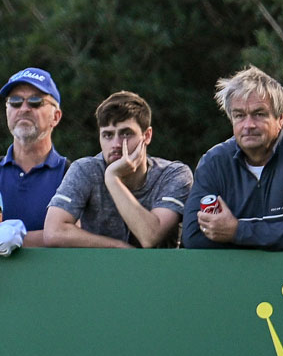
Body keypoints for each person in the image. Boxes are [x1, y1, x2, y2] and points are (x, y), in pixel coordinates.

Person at [180, 67, 283, 251]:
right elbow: (194, 238)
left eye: (259, 114)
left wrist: (237, 231)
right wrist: (274, 236)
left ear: (281, 119)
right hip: (234, 277)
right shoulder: (214, 161)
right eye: (239, 116)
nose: (248, 125)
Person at [37, 91, 193, 248]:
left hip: (160, 271)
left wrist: (112, 178)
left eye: (126, 134)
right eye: (108, 135)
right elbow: (53, 232)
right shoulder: (85, 170)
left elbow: (150, 237)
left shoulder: (174, 174)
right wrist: (116, 247)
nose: (117, 144)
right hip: (100, 270)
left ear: (147, 136)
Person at [0, 68, 70, 231]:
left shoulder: (71, 175)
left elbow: (77, 236)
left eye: (35, 101)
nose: (24, 108)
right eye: (15, 101)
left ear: (55, 117)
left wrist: (2, 240)